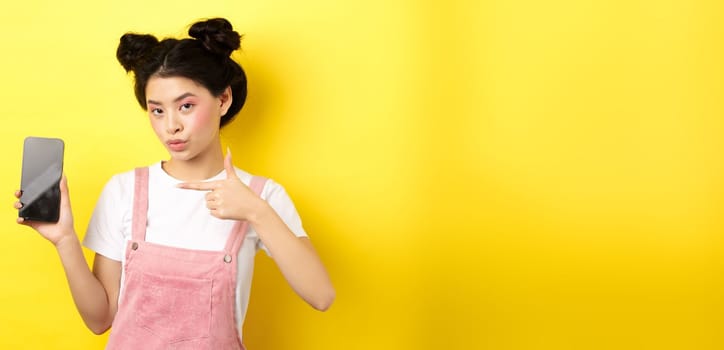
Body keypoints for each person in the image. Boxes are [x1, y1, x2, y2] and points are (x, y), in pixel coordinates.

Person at [13, 17, 335, 349]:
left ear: (223, 99)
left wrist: (257, 213)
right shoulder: (124, 190)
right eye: (157, 111)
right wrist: (64, 239)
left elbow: (321, 295)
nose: (171, 126)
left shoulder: (260, 196)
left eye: (186, 106)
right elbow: (100, 320)